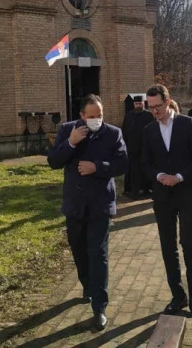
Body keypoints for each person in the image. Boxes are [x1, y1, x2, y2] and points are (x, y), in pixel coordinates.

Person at [47, 94, 128, 331]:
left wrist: (97, 167)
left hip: (100, 204)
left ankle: (99, 307)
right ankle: (87, 284)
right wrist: (71, 143)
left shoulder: (113, 133)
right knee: (79, 248)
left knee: (98, 253)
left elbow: (123, 164)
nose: (96, 120)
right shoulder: (67, 130)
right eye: (91, 116)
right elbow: (53, 161)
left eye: (99, 115)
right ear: (81, 115)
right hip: (75, 204)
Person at [142, 84, 192, 315]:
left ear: (168, 102)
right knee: (168, 247)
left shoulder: (187, 124)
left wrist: (178, 176)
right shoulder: (149, 130)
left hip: (187, 192)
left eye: (158, 106)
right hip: (163, 196)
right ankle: (178, 295)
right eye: (150, 107)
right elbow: (145, 164)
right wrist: (160, 176)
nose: (154, 111)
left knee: (188, 243)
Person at [121, 95, 155, 199]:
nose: (138, 105)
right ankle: (133, 190)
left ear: (144, 103)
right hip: (132, 149)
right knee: (133, 170)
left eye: (140, 103)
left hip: (145, 148)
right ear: (133, 104)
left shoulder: (149, 115)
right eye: (136, 104)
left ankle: (146, 189)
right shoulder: (129, 115)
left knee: (145, 170)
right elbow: (124, 130)